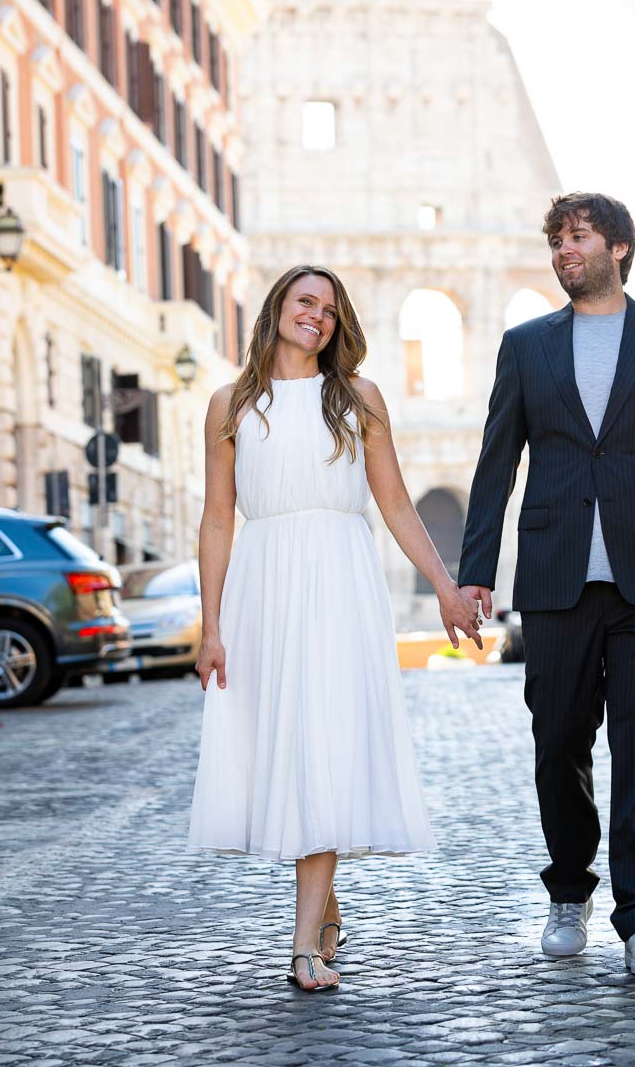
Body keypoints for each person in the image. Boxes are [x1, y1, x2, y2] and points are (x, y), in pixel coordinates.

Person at [457, 193, 635, 976]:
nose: (562, 251)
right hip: (555, 579)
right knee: (557, 744)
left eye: (577, 237)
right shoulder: (525, 346)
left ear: (619, 247)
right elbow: (496, 466)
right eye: (556, 239)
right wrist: (475, 574)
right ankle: (567, 890)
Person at [189, 265, 481, 992]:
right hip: (265, 584)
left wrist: (445, 587)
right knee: (285, 748)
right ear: (277, 310)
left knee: (323, 743)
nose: (315, 316)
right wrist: (212, 625)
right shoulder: (231, 404)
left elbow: (396, 505)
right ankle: (325, 905)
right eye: (303, 302)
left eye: (328, 308)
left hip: (343, 585)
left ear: (339, 323)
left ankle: (302, 945)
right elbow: (219, 517)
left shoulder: (358, 399)